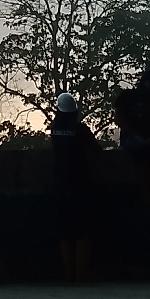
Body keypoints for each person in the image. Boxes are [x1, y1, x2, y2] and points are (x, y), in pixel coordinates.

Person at [49, 93, 101, 283]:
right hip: (81, 182)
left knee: (64, 230)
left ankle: (68, 272)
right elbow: (96, 150)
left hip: (60, 182)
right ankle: (81, 273)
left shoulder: (54, 128)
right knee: (82, 230)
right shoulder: (80, 129)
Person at [113, 69, 150, 201]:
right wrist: (135, 136)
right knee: (140, 152)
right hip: (130, 137)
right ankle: (143, 191)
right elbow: (118, 119)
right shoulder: (127, 96)